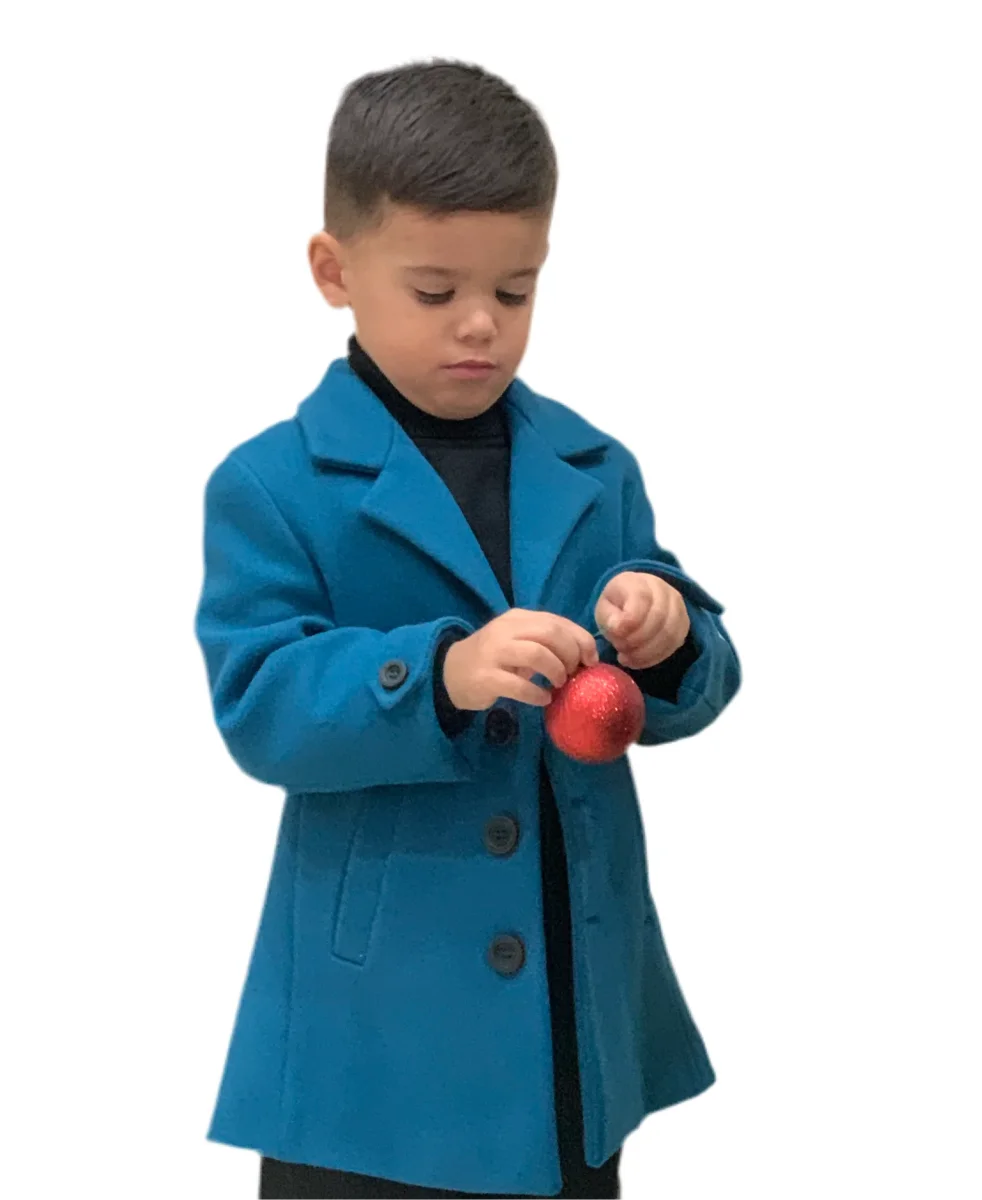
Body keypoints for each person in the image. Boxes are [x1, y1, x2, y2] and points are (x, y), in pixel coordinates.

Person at [194, 58, 741, 1200]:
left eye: (517, 289)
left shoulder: (594, 467)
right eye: (435, 292)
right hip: (371, 1025)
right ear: (334, 272)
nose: (482, 325)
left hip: (569, 993)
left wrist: (669, 633)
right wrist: (438, 674)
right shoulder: (273, 485)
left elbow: (698, 672)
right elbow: (261, 706)